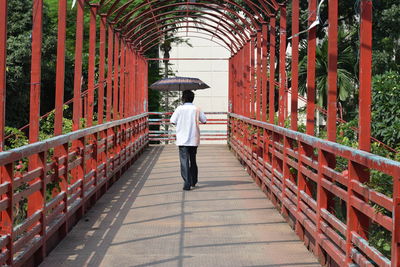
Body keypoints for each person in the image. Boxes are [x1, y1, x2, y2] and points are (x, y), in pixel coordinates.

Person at [170, 90, 207, 191]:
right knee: (193, 159)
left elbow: (172, 121)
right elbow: (204, 120)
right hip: (194, 138)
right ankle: (193, 181)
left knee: (184, 160)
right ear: (192, 98)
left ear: (183, 98)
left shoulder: (179, 109)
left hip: (182, 139)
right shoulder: (197, 109)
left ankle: (187, 183)